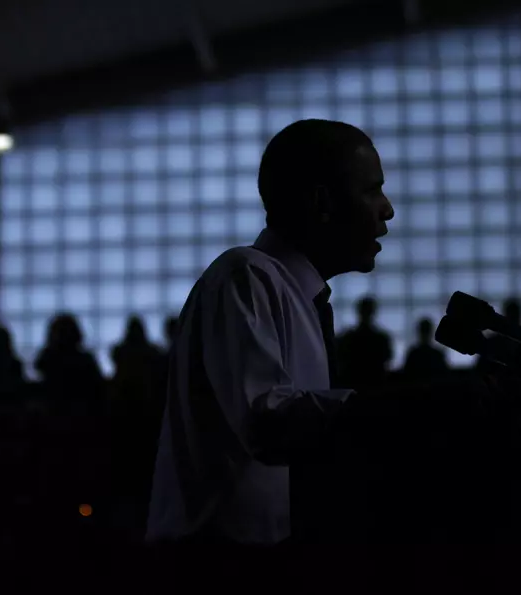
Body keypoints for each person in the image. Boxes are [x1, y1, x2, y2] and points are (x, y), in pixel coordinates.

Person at [146, 119, 394, 546]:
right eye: (372, 190)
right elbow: (266, 420)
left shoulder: (291, 296)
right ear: (322, 202)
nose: (386, 208)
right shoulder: (246, 277)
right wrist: (412, 408)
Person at [336, 296, 393, 390]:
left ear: (358, 312)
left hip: (352, 386)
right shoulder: (381, 338)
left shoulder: (347, 338)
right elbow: (386, 360)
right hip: (375, 386)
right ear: (373, 312)